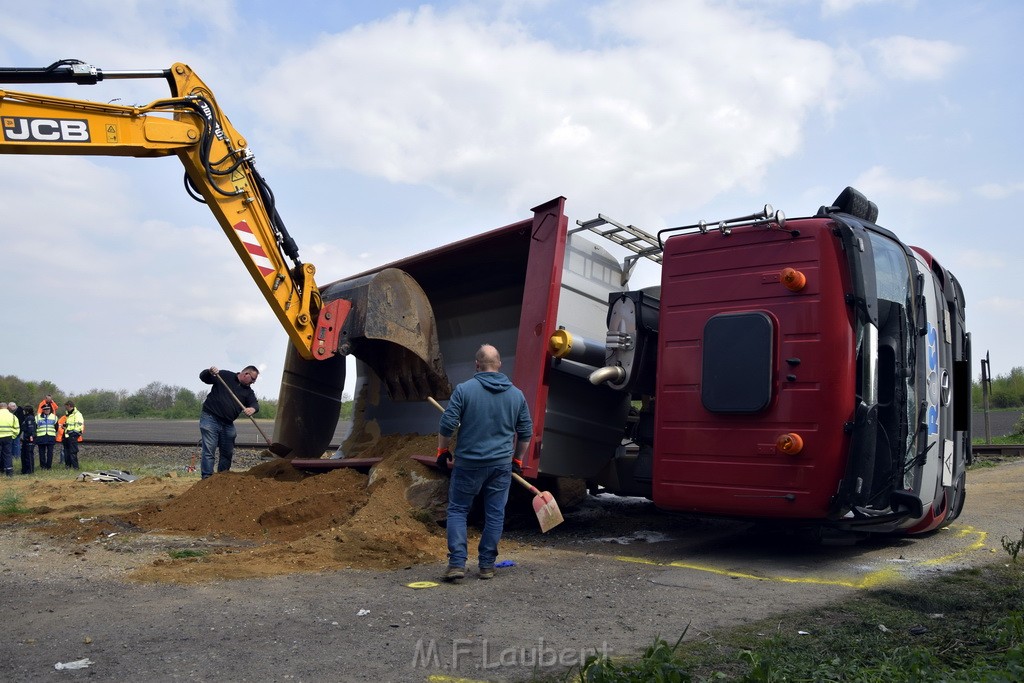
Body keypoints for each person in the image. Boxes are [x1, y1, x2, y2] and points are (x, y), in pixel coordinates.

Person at [436, 344, 532, 582]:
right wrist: (517, 460)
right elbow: (526, 432)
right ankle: (487, 566)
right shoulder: (516, 395)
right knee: (495, 513)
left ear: (476, 365)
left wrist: (442, 451)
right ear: (499, 365)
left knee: (458, 510)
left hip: (468, 464)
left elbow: (447, 424)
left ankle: (457, 563)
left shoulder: (464, 390)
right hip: (500, 465)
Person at [198, 365, 260, 479]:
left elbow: (255, 404)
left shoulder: (248, 391)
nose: (253, 382)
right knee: (209, 450)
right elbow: (204, 377)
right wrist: (209, 372)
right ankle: (206, 479)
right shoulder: (225, 375)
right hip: (210, 418)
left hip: (227, 423)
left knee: (227, 453)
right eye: (253, 379)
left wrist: (252, 409)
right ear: (246, 374)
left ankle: (222, 478)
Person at [35, 403, 58, 470]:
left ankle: (49, 466)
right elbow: (35, 427)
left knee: (50, 453)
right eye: (45, 409)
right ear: (43, 410)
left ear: (50, 409)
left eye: (48, 409)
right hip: (41, 436)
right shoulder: (37, 417)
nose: (47, 410)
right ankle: (42, 466)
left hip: (50, 436)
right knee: (41, 453)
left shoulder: (54, 417)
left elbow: (56, 428)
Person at [62, 401, 85, 470]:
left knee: (73, 451)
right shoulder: (68, 414)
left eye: (66, 406)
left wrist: (74, 433)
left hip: (72, 435)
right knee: (66, 451)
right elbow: (70, 425)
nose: (65, 407)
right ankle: (68, 466)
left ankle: (75, 467)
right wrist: (65, 427)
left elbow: (79, 425)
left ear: (69, 406)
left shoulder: (77, 414)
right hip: (67, 435)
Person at [0, 401, 19, 477]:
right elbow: (17, 429)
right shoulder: (13, 416)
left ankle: (1, 469)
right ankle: (9, 471)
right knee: (7, 454)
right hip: (8, 437)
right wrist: (13, 436)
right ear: (7, 407)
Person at [15, 404, 36, 474]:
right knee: (24, 455)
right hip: (25, 439)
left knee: (29, 455)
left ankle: (30, 470)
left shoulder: (30, 418)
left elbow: (31, 429)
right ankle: (24, 470)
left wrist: (30, 438)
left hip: (29, 439)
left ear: (27, 411)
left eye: (24, 410)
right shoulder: (26, 418)